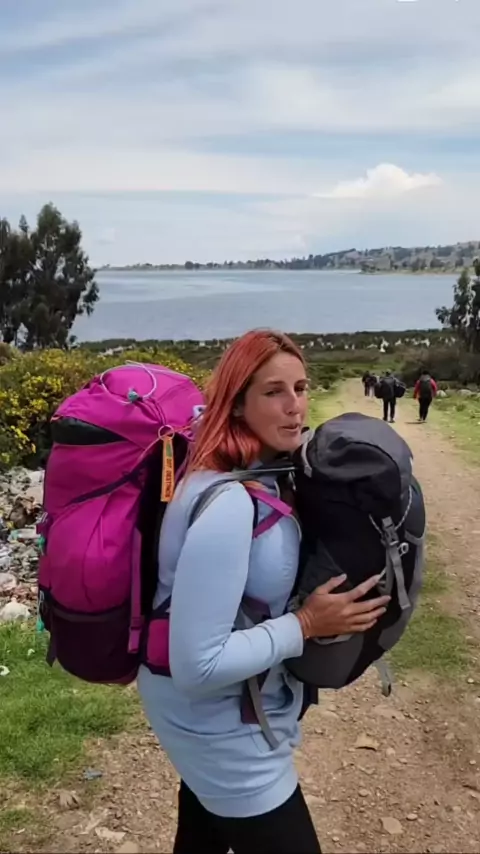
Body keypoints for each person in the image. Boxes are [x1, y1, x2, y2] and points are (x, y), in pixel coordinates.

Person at [137, 329, 391, 854]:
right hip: (216, 725)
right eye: (274, 392)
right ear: (236, 403)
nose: (295, 405)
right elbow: (197, 665)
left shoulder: (257, 475)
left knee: (204, 834)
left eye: (301, 387)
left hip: (222, 713)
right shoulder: (229, 504)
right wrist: (306, 625)